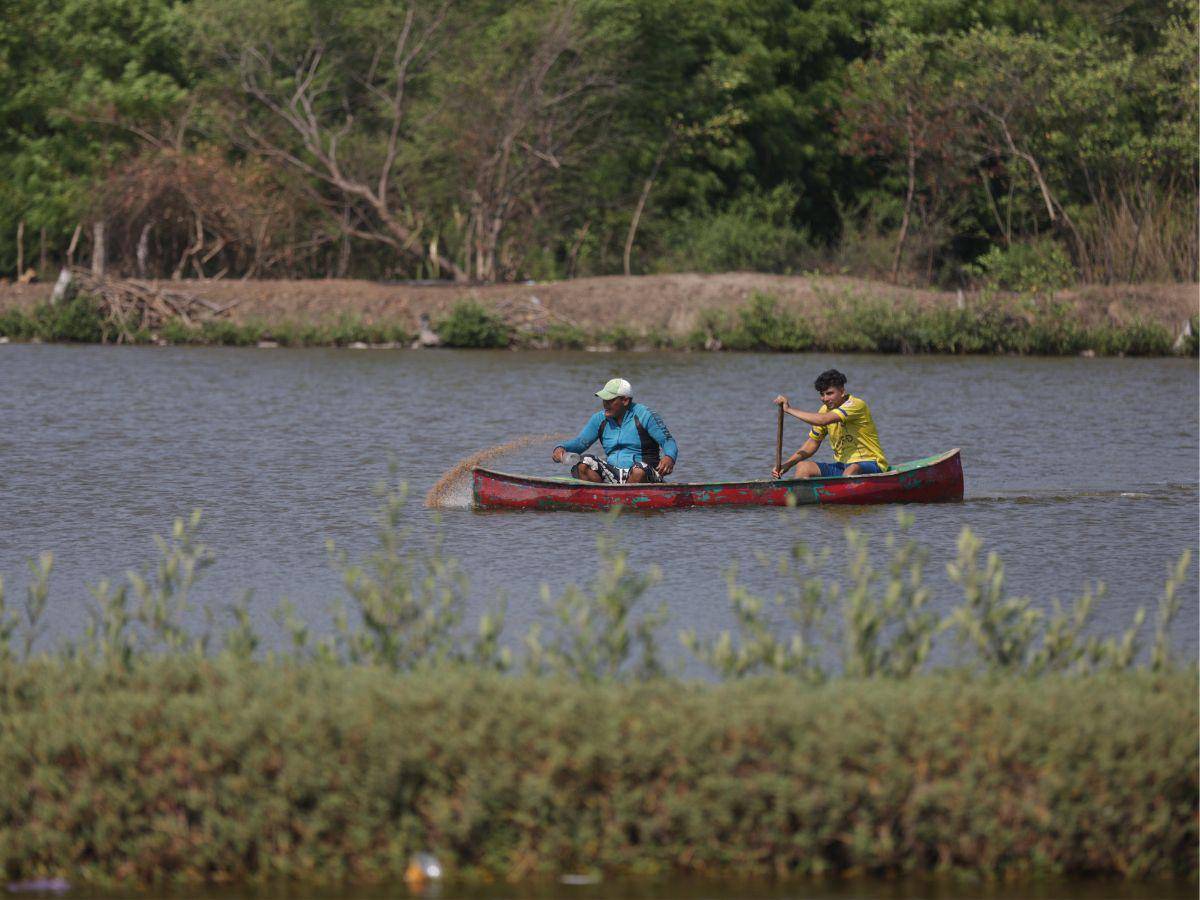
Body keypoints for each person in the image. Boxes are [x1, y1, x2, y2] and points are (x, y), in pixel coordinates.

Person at [552, 378, 678, 483]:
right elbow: (580, 443)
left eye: (610, 400)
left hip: (644, 473)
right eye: (604, 400)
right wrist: (561, 448)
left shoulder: (645, 415)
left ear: (625, 400)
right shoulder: (599, 419)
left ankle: (624, 502)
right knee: (583, 463)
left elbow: (668, 441)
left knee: (638, 471)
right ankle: (601, 498)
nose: (605, 404)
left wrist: (669, 457)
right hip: (613, 475)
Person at [772, 368, 888, 479]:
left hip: (871, 463)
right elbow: (813, 443)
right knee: (803, 467)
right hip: (842, 466)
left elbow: (823, 420)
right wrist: (787, 465)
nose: (825, 398)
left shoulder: (856, 405)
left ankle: (842, 498)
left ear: (842, 391)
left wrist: (789, 410)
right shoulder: (824, 411)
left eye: (829, 393)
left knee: (852, 469)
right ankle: (796, 497)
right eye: (822, 394)